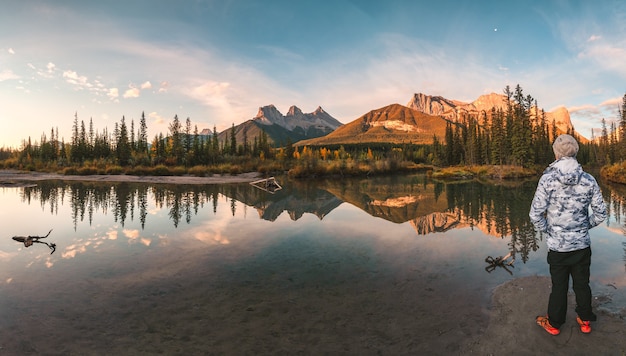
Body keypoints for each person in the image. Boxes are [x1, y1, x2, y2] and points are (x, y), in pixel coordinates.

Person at [529, 134, 607, 335]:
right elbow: (601, 214)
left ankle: (554, 324)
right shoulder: (589, 180)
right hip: (581, 245)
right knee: (582, 284)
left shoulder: (547, 179)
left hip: (558, 247)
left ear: (556, 153)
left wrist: (551, 230)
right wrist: (583, 227)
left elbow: (535, 214)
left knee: (559, 286)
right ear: (576, 152)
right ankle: (585, 320)